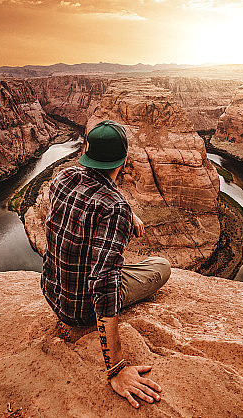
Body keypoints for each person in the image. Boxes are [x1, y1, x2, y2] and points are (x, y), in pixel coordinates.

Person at [41, 119, 171, 409]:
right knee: (160, 265)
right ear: (123, 161)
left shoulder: (63, 177)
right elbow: (103, 283)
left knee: (111, 260)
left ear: (87, 151)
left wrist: (129, 214)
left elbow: (97, 189)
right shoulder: (114, 208)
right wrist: (116, 369)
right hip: (81, 309)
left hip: (52, 290)